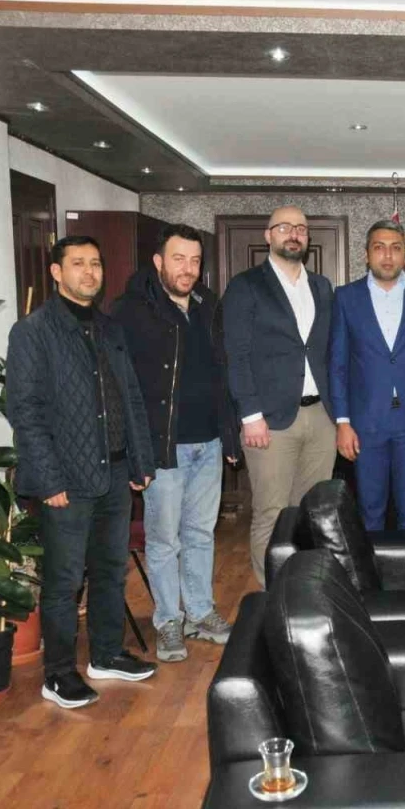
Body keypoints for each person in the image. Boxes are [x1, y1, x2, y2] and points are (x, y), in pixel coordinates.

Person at [6, 235, 158, 708]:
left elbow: (130, 399)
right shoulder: (33, 332)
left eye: (95, 263)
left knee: (111, 571)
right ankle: (57, 675)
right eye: (78, 263)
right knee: (65, 581)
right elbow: (25, 411)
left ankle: (106, 655)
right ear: (57, 272)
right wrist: (48, 479)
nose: (90, 272)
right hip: (66, 481)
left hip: (115, 473)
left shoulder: (109, 328)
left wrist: (140, 460)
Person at [112, 224, 240, 663]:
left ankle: (200, 612)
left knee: (201, 533)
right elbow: (122, 387)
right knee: (164, 539)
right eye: (179, 259)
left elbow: (222, 373)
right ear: (158, 261)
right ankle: (169, 619)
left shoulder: (208, 305)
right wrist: (134, 453)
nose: (188, 269)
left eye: (195, 261)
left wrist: (228, 432)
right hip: (163, 448)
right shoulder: (131, 311)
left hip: (209, 443)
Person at [223, 206, 335, 587]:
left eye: (301, 228)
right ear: (268, 235)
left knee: (311, 513)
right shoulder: (246, 286)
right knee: (272, 513)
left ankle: (303, 591)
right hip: (270, 420)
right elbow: (236, 354)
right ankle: (272, 595)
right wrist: (250, 414)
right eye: (285, 227)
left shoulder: (322, 286)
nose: (294, 233)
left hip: (321, 418)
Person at [329, 220, 405, 531]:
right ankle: (371, 565)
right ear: (366, 254)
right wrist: (342, 422)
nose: (388, 256)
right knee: (370, 512)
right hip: (365, 423)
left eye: (395, 248)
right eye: (379, 248)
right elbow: (337, 363)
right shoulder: (346, 297)